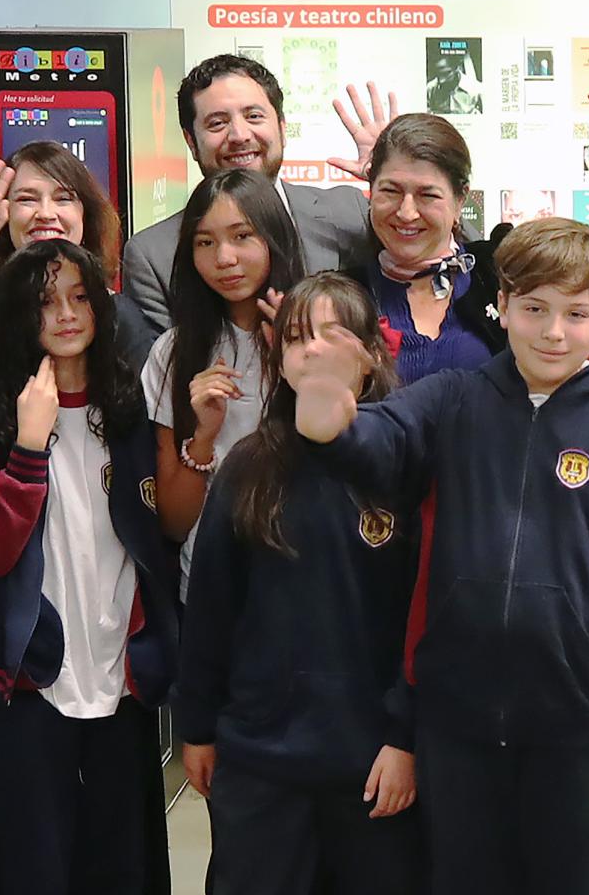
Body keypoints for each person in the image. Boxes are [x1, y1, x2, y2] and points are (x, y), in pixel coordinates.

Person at [294, 217, 589, 895]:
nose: (554, 331)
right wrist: (327, 414)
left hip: (587, 730)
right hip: (459, 726)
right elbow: (375, 444)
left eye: (576, 314)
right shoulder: (457, 398)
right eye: (535, 308)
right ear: (503, 307)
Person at [0, 239, 178, 895]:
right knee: (34, 868)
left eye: (81, 297)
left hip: (123, 678)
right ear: (19, 313)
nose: (67, 314)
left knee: (123, 866)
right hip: (29, 681)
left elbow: (160, 535)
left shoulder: (128, 405)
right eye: (46, 302)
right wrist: (27, 446)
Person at [174, 274, 422, 895]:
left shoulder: (404, 470)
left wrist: (406, 738)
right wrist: (198, 727)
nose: (312, 352)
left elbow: (428, 620)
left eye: (333, 337)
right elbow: (211, 609)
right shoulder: (250, 465)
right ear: (277, 357)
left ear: (371, 355)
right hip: (261, 757)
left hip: (373, 761)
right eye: (296, 338)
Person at [124, 55, 389, 340]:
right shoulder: (153, 255)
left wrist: (393, 175)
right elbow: (161, 374)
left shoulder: (348, 211)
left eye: (254, 116)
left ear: (283, 128)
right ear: (191, 141)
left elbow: (418, 279)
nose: (239, 135)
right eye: (217, 123)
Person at [142, 169, 305, 600]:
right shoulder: (173, 352)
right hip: (210, 590)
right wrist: (203, 437)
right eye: (205, 242)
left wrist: (300, 367)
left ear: (274, 238)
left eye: (242, 236)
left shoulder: (318, 335)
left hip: (304, 584)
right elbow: (175, 524)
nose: (225, 258)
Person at [0, 146, 152, 376]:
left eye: (63, 198)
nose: (45, 213)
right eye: (27, 199)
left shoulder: (119, 317)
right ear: (5, 216)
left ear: (85, 217)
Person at [345, 113, 504, 382]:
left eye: (427, 195)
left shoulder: (499, 274)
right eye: (390, 191)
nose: (407, 213)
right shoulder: (344, 295)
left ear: (460, 199)